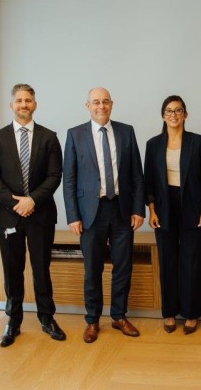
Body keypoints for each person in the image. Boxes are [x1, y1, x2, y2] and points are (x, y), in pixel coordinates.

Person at [0, 84, 65, 347]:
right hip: (8, 216)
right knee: (12, 271)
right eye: (19, 100)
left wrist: (32, 200)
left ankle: (47, 318)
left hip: (41, 214)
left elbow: (55, 175)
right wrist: (16, 204)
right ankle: (13, 321)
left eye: (28, 100)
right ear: (12, 105)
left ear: (35, 105)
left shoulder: (49, 138)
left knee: (41, 269)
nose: (23, 105)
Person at [63, 87, 146, 343]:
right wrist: (73, 215)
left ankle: (119, 316)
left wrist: (138, 209)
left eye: (105, 102)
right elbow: (69, 179)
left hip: (122, 209)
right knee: (92, 269)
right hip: (91, 212)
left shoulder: (126, 131)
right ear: (87, 106)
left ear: (112, 104)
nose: (101, 106)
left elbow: (137, 175)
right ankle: (92, 320)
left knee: (123, 266)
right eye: (96, 102)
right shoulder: (75, 134)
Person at [143, 95, 201, 335]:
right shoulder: (153, 144)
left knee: (191, 260)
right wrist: (152, 210)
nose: (173, 115)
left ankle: (191, 313)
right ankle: (170, 312)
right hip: (164, 207)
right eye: (169, 111)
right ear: (163, 116)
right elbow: (149, 182)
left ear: (185, 114)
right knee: (167, 259)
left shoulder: (198, 142)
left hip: (192, 206)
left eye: (178, 110)